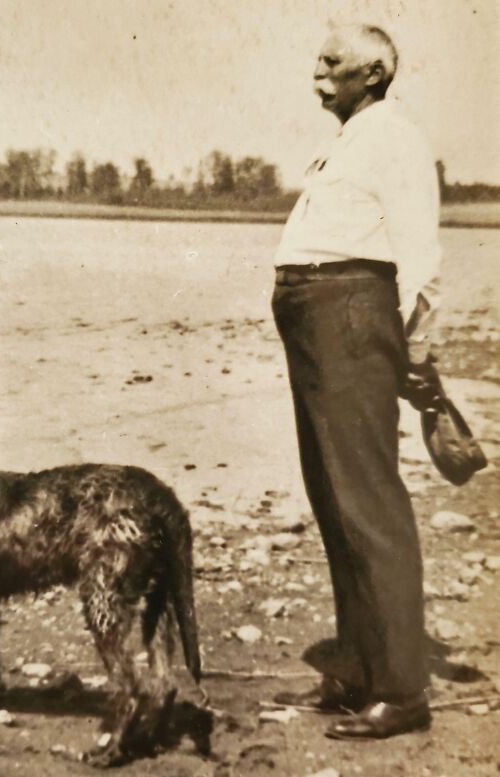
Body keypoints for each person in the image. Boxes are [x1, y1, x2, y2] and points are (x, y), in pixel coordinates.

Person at [270, 24, 441, 739]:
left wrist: (417, 351)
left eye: (331, 62)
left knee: (367, 502)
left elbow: (420, 251)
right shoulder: (349, 139)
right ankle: (356, 669)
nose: (317, 73)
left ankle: (401, 689)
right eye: (316, 59)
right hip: (317, 321)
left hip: (350, 318)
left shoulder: (395, 136)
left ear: (373, 74)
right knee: (334, 501)